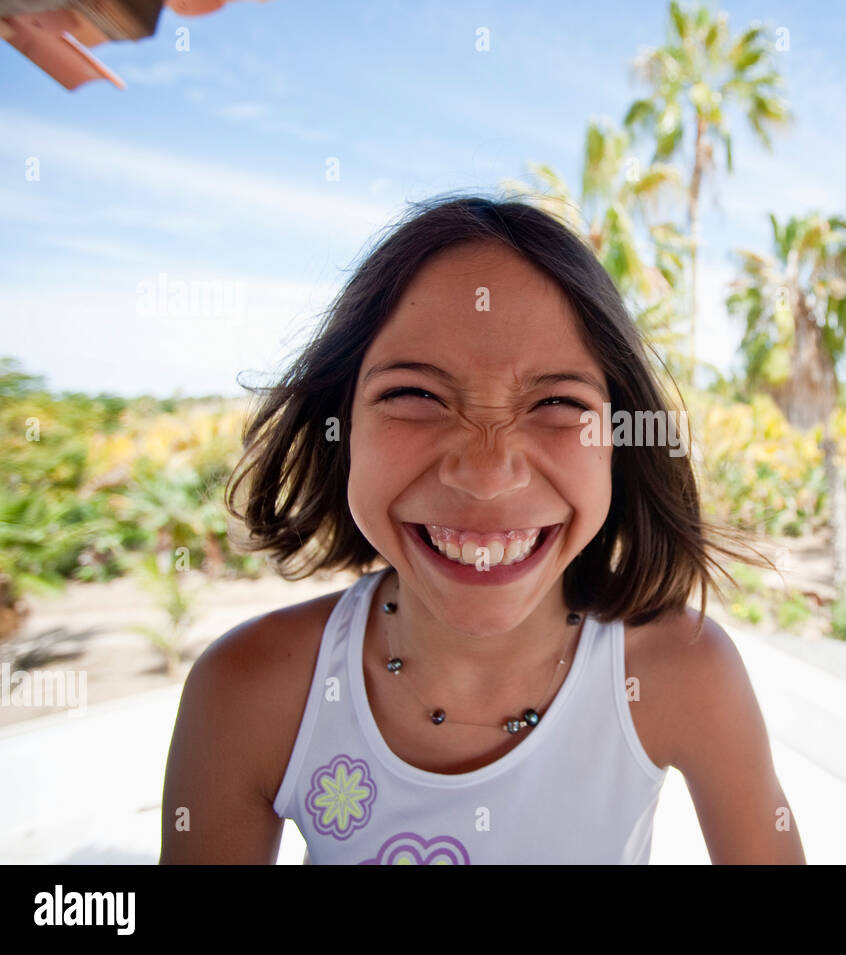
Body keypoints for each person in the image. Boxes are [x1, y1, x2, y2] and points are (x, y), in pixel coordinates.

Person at [159, 192, 806, 864]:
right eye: (415, 395)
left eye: (557, 402)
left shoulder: (681, 673)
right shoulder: (249, 691)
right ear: (342, 427)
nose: (488, 471)